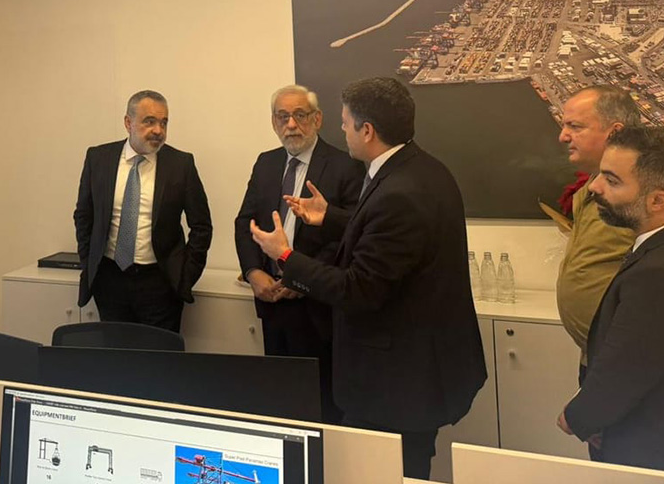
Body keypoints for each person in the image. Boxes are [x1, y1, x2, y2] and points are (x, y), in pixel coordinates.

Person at [249, 77, 485, 479]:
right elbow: (384, 237)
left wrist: (285, 256)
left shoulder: (399, 191)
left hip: (396, 380)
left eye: (345, 122)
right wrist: (330, 217)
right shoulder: (421, 169)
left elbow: (358, 289)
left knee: (391, 471)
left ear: (367, 130)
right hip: (414, 369)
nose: (341, 130)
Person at [234, 85, 364, 423]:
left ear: (317, 119)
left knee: (323, 405)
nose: (291, 124)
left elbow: (349, 236)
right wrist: (253, 273)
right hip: (272, 300)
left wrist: (302, 276)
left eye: (300, 115)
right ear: (273, 122)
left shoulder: (345, 165)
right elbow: (244, 223)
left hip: (318, 308)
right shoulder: (266, 163)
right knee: (281, 402)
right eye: (282, 116)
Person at [559, 126, 664, 471]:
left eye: (612, 180)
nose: (594, 187)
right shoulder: (655, 251)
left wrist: (579, 417)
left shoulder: (658, 271)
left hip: (646, 444)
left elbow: (631, 365)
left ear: (657, 201)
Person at [73, 90, 213, 332]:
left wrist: (185, 276)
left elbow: (201, 226)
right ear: (128, 123)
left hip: (160, 283)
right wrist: (89, 263)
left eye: (164, 122)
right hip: (110, 280)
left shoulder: (180, 165)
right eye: (149, 121)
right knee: (116, 351)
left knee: (160, 353)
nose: (158, 130)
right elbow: (84, 215)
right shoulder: (99, 159)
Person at [555, 87, 641, 390]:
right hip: (596, 356)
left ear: (614, 132)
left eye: (575, 126)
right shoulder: (591, 186)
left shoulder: (644, 192)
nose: (563, 136)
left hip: (630, 363)